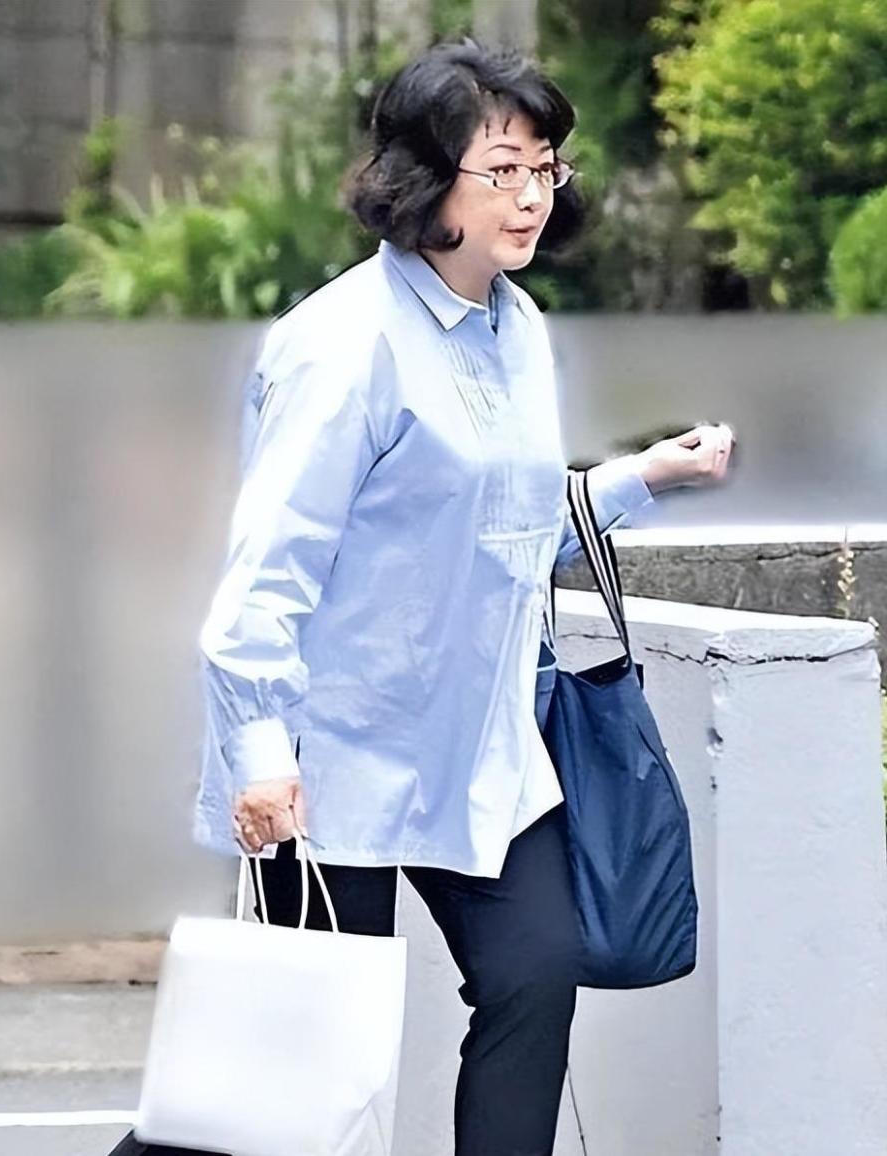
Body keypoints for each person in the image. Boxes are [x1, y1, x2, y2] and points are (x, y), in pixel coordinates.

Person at [110, 36, 734, 1156]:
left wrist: (642, 478)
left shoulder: (517, 329)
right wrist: (260, 752)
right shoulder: (342, 348)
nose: (532, 196)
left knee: (537, 972)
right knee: (286, 1066)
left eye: (545, 167)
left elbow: (504, 536)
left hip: (479, 749)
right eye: (504, 169)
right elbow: (267, 573)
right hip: (332, 759)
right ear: (425, 178)